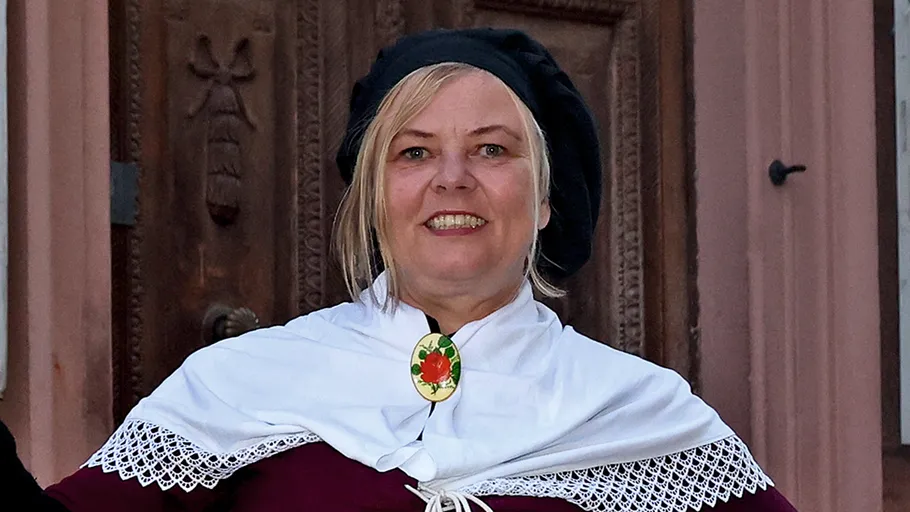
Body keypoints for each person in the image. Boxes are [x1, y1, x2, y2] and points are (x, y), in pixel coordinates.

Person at [1, 28, 798, 511]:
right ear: (376, 200)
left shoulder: (640, 413)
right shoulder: (242, 384)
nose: (453, 179)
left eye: (492, 148)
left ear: (546, 198)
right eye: (414, 153)